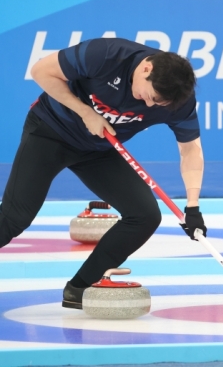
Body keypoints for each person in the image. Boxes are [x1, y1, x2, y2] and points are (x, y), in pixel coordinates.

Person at [0, 38, 207, 309]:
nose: (152, 105)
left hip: (98, 148)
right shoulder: (107, 55)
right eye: (152, 96)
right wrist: (85, 112)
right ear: (146, 69)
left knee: (144, 216)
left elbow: (191, 150)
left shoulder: (176, 100)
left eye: (160, 103)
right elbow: (41, 70)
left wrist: (193, 207)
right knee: (15, 218)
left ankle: (80, 288)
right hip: (50, 132)